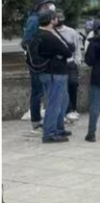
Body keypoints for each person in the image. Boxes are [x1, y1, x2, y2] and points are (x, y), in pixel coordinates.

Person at [31, 10, 74, 143]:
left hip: (44, 72)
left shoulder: (36, 34)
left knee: (59, 102)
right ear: (51, 20)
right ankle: (49, 133)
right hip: (55, 73)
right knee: (54, 104)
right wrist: (59, 54)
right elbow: (67, 52)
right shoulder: (50, 37)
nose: (57, 20)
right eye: (55, 18)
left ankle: (58, 128)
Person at [22, 0, 56, 131]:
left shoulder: (39, 18)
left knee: (42, 90)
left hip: (41, 60)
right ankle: (36, 122)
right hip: (37, 62)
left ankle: (43, 120)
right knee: (37, 91)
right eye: (47, 4)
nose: (50, 7)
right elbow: (26, 41)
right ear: (40, 6)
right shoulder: (34, 20)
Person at [54, 12, 82, 123]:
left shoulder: (71, 32)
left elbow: (77, 47)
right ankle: (65, 110)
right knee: (61, 87)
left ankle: (73, 109)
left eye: (61, 18)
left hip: (70, 63)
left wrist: (77, 61)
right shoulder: (51, 32)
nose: (59, 20)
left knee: (73, 84)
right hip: (57, 64)